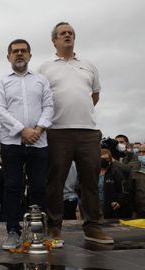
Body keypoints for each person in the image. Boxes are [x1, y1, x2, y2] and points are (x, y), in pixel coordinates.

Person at [39, 22, 114, 244]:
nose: (67, 36)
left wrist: (79, 112)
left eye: (70, 33)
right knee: (56, 182)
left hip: (88, 132)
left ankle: (93, 227)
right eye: (62, 34)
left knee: (90, 180)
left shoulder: (89, 65)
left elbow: (95, 96)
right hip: (57, 131)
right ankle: (54, 228)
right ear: (54, 40)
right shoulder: (45, 68)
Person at [0, 39, 54, 249]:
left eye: (23, 51)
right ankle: (12, 230)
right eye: (15, 51)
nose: (19, 54)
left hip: (39, 141)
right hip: (11, 142)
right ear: (8, 56)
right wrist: (22, 130)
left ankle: (38, 232)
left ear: (30, 55)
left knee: (38, 187)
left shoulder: (41, 80)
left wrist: (37, 130)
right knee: (12, 187)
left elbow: (49, 107)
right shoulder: (1, 82)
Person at [98, 148, 129, 219]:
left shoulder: (115, 172)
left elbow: (123, 190)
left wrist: (119, 202)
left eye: (106, 159)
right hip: (96, 207)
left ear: (110, 159)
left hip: (111, 208)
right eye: (101, 158)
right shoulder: (94, 172)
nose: (104, 161)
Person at [129, 144, 145, 218]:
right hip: (140, 212)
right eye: (140, 152)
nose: (141, 154)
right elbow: (131, 191)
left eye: (144, 152)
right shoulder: (135, 169)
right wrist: (134, 211)